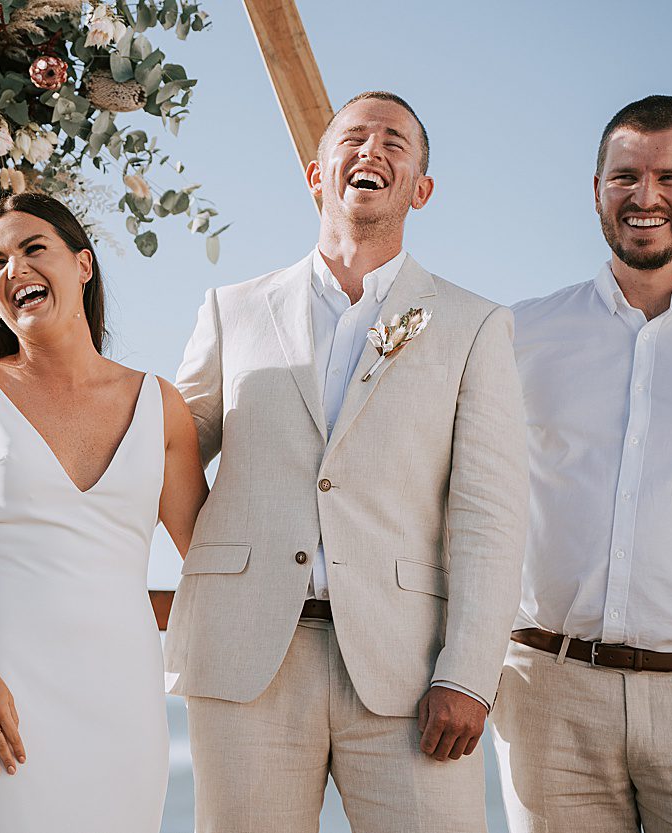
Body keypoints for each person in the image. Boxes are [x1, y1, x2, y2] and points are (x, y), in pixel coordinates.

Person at [169, 91, 529, 832]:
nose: (372, 150)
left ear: (420, 189)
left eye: (395, 141)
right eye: (353, 138)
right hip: (246, 657)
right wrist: (214, 556)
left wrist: (468, 671)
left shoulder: (475, 325)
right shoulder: (230, 310)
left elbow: (491, 514)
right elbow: (167, 448)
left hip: (412, 669)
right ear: (315, 174)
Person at [0, 193, 200, 831]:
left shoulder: (158, 403)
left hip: (124, 698)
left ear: (83, 266)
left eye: (34, 249)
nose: (15, 270)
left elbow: (211, 548)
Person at [497, 94, 672, 832]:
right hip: (547, 696)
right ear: (596, 188)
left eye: (671, 177)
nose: (646, 196)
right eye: (625, 176)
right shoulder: (517, 334)